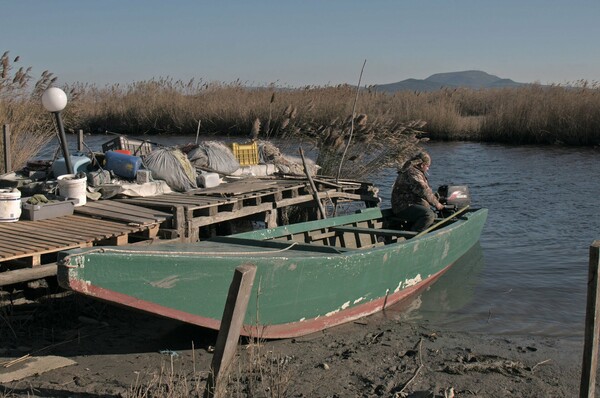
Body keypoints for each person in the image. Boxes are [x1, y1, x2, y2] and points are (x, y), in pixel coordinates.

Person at [391, 151, 444, 232]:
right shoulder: (412, 173)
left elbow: (421, 191)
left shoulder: (414, 171)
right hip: (403, 207)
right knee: (428, 215)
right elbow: (423, 190)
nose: (428, 169)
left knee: (433, 214)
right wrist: (437, 204)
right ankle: (414, 236)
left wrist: (435, 198)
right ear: (422, 165)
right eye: (427, 166)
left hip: (411, 204)